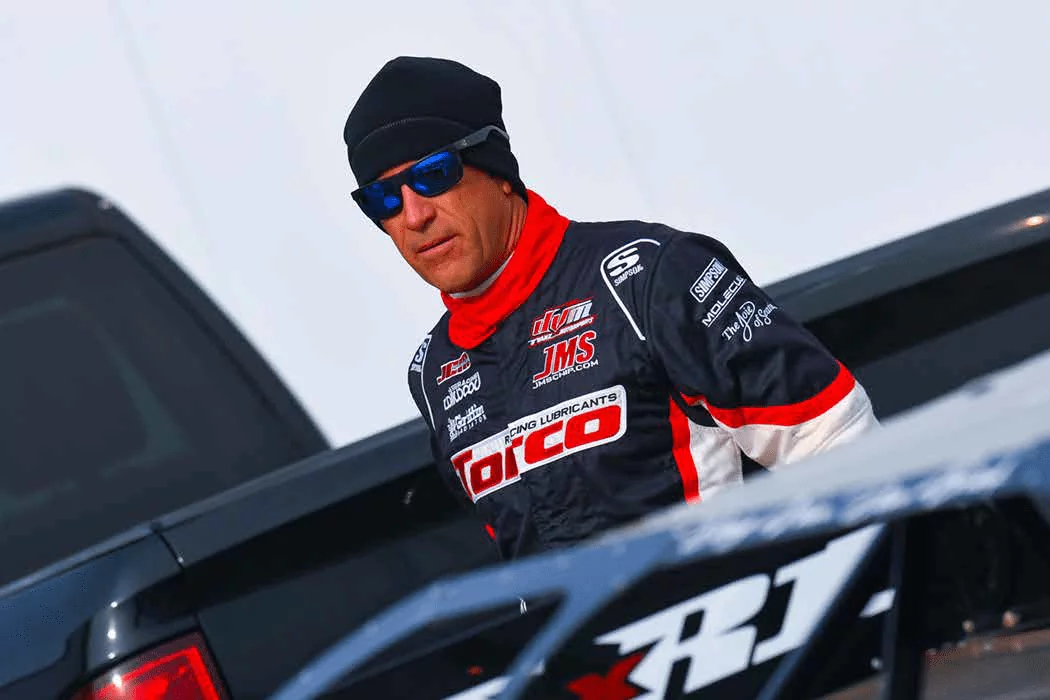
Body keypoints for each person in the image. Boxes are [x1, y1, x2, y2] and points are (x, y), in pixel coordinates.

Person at [341, 56, 880, 560]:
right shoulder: (433, 372)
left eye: (434, 175)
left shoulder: (653, 274)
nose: (413, 216)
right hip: (589, 659)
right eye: (383, 199)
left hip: (720, 635)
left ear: (499, 171)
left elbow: (837, 445)